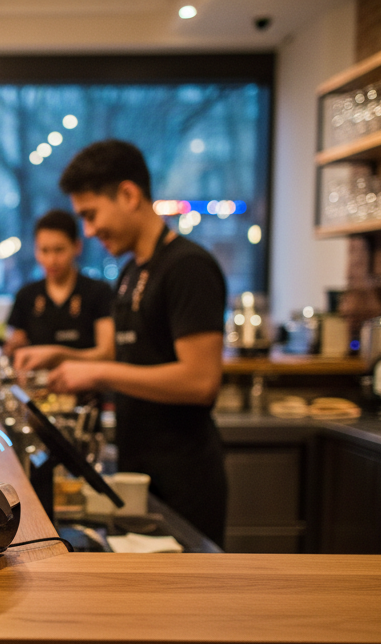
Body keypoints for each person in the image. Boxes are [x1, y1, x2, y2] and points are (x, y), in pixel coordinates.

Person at [43, 139, 228, 545]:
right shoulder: (130, 274)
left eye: (91, 216)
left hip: (184, 480)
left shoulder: (188, 268)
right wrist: (67, 359)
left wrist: (99, 372)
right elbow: (123, 356)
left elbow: (200, 381)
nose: (88, 232)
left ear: (128, 195)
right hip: (139, 473)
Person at [5, 209, 115, 369]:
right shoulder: (26, 296)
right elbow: (15, 347)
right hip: (38, 389)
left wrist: (58, 355)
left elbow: (108, 354)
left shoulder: (98, 292)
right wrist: (11, 348)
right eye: (44, 250)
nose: (51, 260)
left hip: (87, 388)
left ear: (77, 247)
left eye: (59, 250)